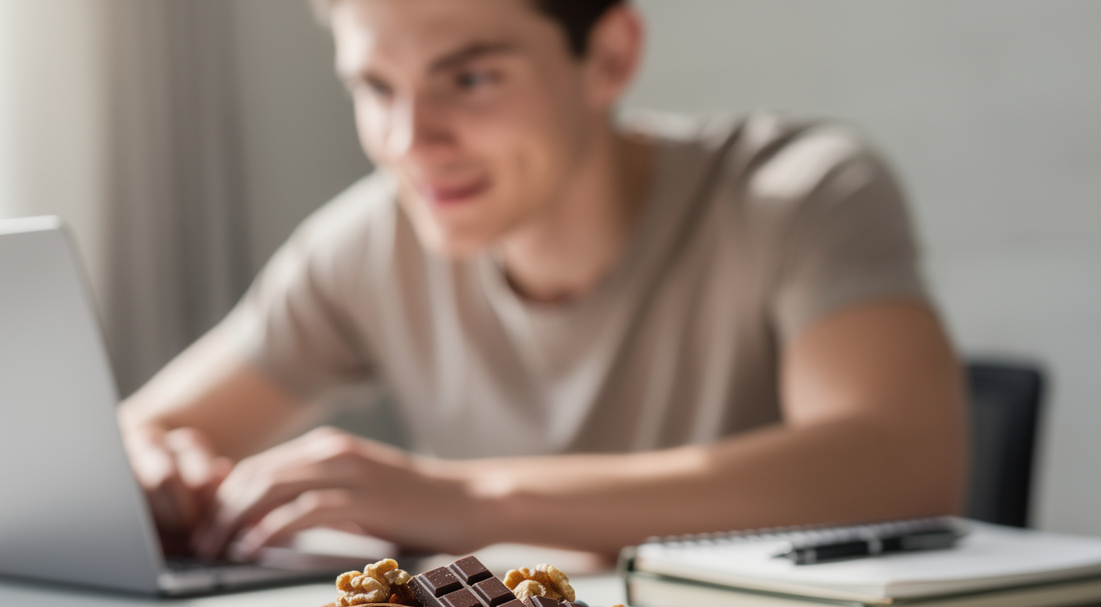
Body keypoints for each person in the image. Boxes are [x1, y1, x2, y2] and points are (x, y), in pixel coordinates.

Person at [117, 0, 967, 563]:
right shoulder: (369, 240)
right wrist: (151, 469)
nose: (411, 141)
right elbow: (141, 431)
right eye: (376, 86)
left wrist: (472, 499)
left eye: (470, 78)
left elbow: (902, 461)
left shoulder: (798, 194)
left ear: (609, 56)